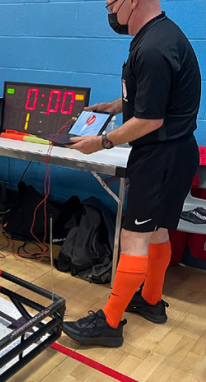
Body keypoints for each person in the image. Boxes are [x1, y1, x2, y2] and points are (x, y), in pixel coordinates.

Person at [63, 0, 201, 347]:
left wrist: (102, 141)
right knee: (155, 232)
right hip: (172, 153)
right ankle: (151, 300)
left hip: (160, 156)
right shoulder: (159, 35)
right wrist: (113, 106)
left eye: (110, 1)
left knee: (134, 238)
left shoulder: (154, 47)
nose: (108, 9)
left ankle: (109, 323)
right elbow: (153, 98)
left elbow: (150, 119)